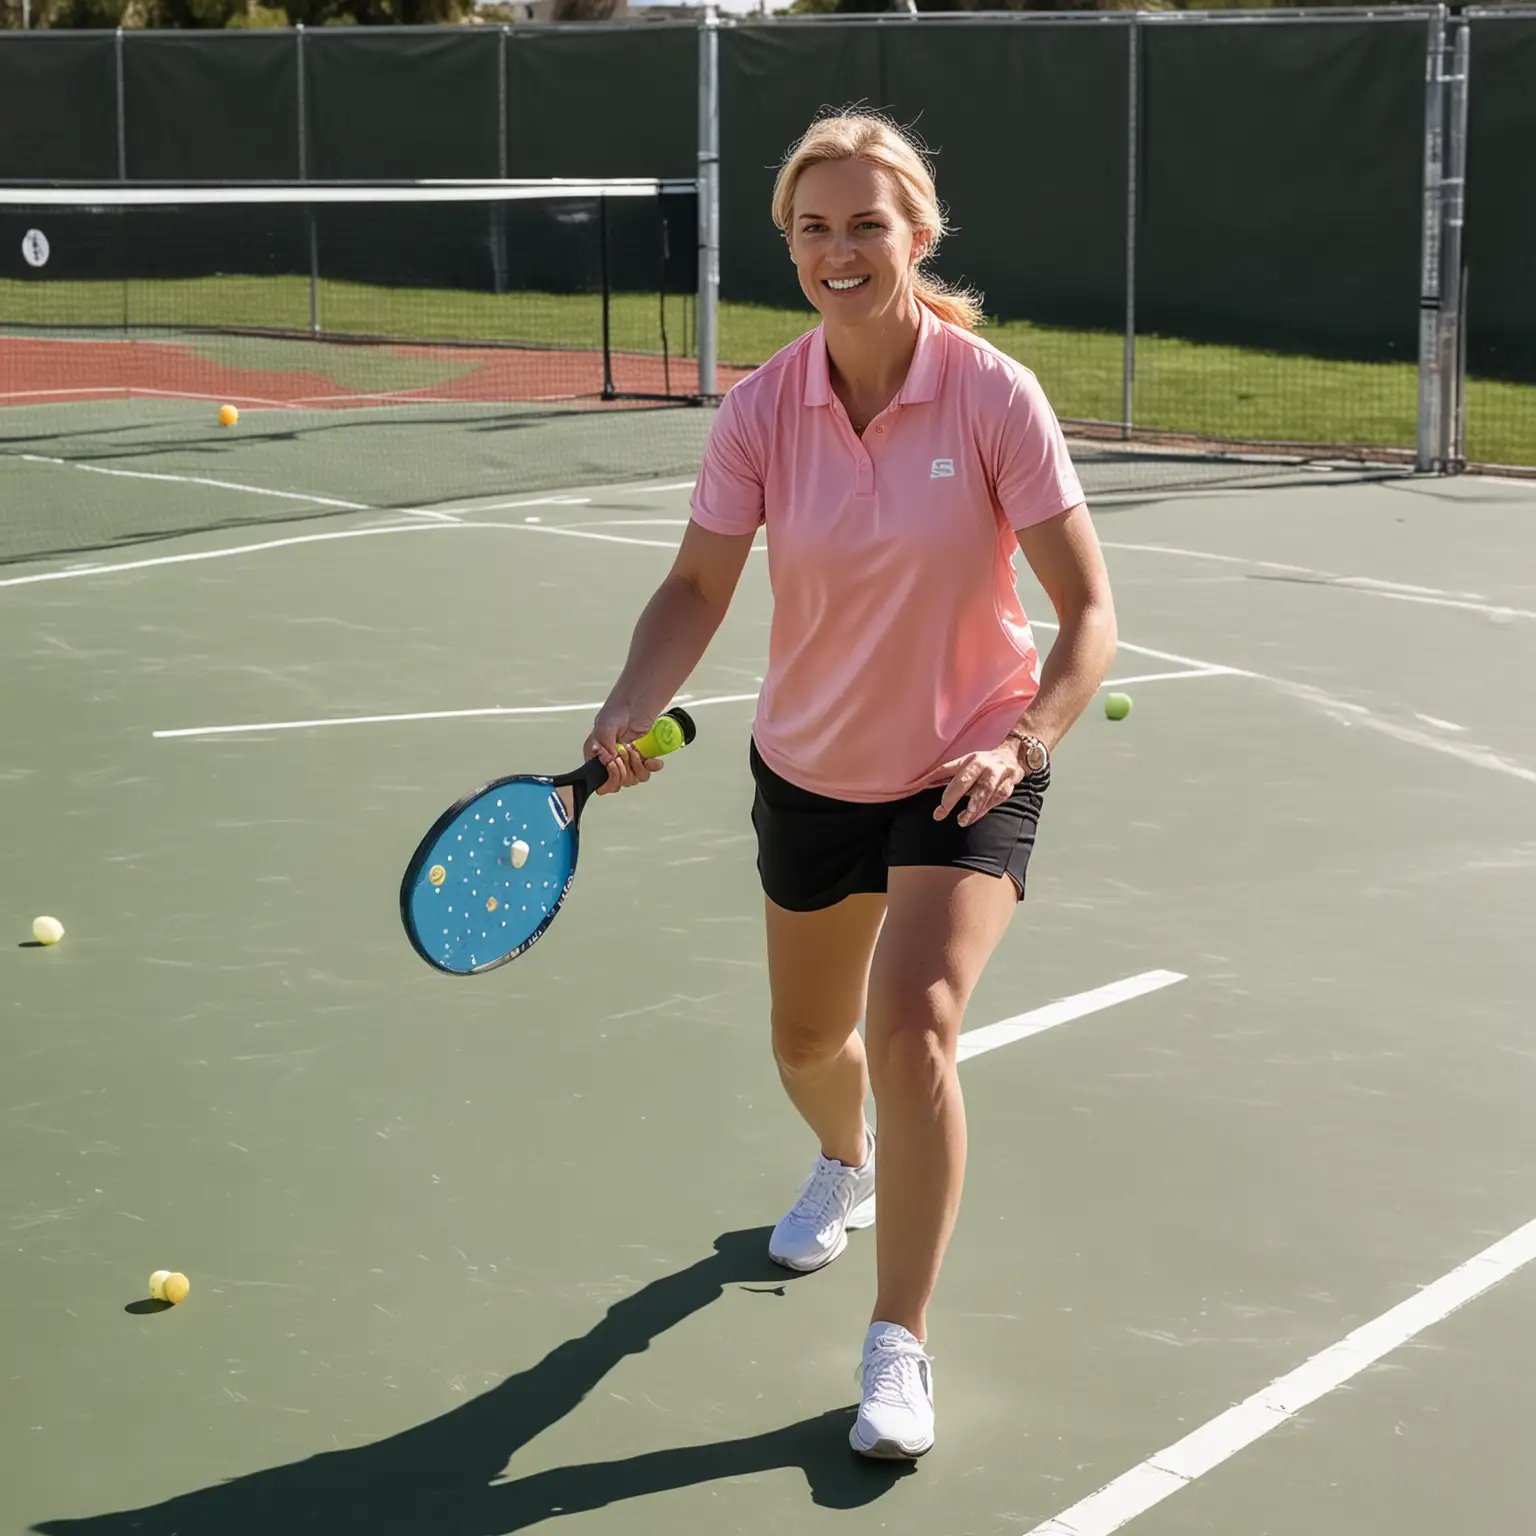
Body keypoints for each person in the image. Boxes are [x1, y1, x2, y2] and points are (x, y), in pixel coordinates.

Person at [582, 111, 1117, 1461]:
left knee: (913, 1024)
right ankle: (846, 1162)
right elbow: (699, 583)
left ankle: (898, 1344)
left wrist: (1028, 739)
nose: (838, 249)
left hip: (963, 764)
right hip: (811, 767)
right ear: (789, 244)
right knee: (807, 1047)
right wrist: (626, 708)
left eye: (866, 224)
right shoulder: (766, 408)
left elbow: (1088, 611)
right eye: (813, 227)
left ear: (917, 234)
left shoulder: (993, 395)